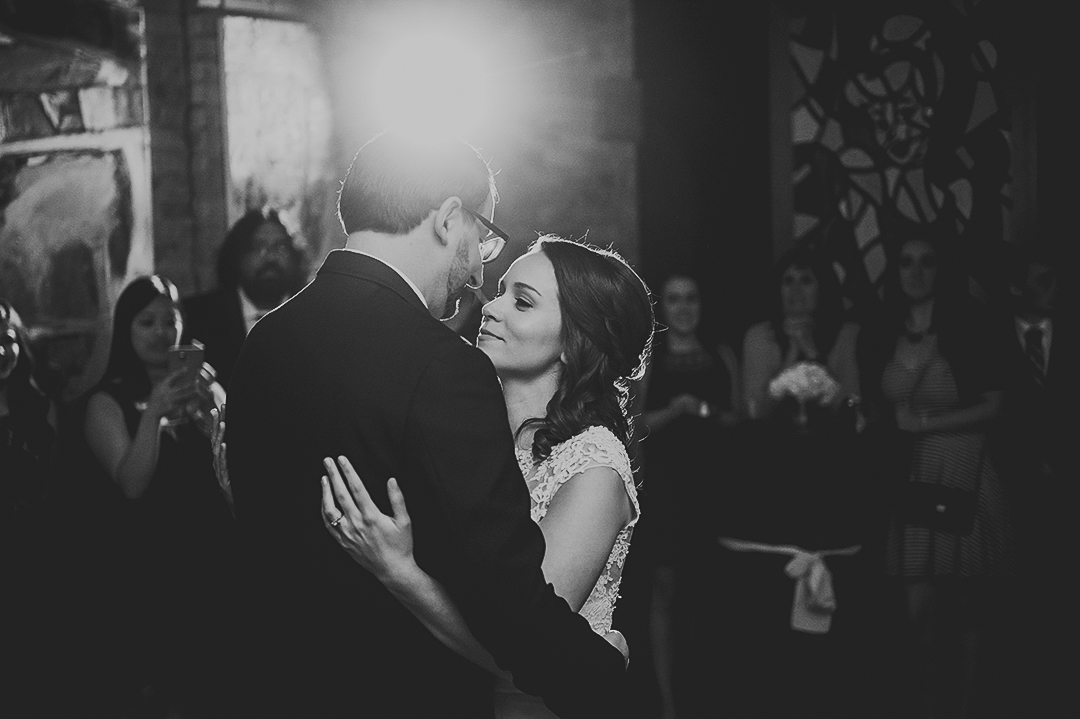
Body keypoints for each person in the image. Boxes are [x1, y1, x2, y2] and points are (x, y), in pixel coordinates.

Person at [224, 132, 635, 718]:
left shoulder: (264, 341)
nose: (476, 277)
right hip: (400, 692)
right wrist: (602, 672)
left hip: (276, 685)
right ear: (448, 219)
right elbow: (507, 600)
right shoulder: (441, 365)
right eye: (483, 239)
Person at [313, 235, 653, 718]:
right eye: (500, 292)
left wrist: (400, 573)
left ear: (576, 339)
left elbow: (528, 644)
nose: (490, 308)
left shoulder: (594, 465)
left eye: (522, 301)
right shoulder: (474, 441)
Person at [859, 235, 1015, 719]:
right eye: (906, 262)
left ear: (940, 269)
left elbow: (996, 404)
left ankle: (967, 709)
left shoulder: (968, 324)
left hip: (965, 466)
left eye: (927, 262)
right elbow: (877, 406)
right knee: (917, 613)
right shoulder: (884, 328)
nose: (916, 271)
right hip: (915, 472)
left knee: (967, 611)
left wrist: (925, 423)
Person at [720, 246, 870, 717]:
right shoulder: (758, 337)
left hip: (830, 474)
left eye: (807, 280)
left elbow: (855, 410)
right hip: (774, 476)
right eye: (788, 280)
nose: (797, 291)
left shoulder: (845, 335)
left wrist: (813, 359)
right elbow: (752, 411)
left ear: (821, 288)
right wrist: (787, 360)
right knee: (771, 604)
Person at [78, 275, 233, 716]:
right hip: (146, 564)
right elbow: (131, 484)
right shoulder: (106, 402)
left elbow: (231, 475)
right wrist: (155, 415)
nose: (161, 332)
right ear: (126, 328)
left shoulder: (208, 391)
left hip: (209, 556)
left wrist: (213, 418)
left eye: (171, 320)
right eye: (146, 322)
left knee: (216, 682)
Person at [636, 273, 739, 718]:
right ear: (663, 306)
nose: (683, 306)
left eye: (691, 297)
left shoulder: (723, 355)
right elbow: (633, 425)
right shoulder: (649, 358)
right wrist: (675, 410)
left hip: (713, 485)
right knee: (665, 588)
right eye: (674, 298)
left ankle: (705, 696)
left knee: (709, 591)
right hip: (666, 485)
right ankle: (668, 703)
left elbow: (739, 421)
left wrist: (715, 415)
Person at [993, 246, 1077, 716]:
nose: (1055, 290)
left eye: (1057, 280)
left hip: (1068, 485)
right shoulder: (992, 337)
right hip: (1011, 484)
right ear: (1016, 287)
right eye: (1043, 280)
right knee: (1017, 594)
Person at [1, 298, 60, 715]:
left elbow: (55, 487)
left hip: (34, 560)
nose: (1, 350)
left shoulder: (38, 407)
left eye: (7, 338)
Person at [182, 207, 307, 389]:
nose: (270, 257)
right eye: (258, 247)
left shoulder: (313, 317)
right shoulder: (198, 317)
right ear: (238, 255)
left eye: (280, 247)